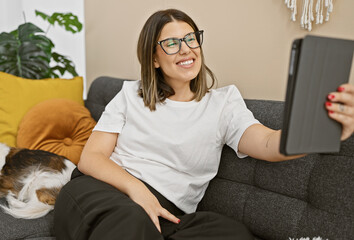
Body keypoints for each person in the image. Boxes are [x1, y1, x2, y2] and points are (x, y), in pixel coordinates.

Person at [53, 9, 354, 240]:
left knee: (232, 233)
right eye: (171, 43)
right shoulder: (131, 95)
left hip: (169, 214)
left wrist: (319, 128)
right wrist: (137, 191)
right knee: (132, 222)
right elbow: (91, 157)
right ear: (154, 58)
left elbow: (268, 144)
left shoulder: (223, 103)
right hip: (105, 192)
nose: (186, 49)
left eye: (190, 38)